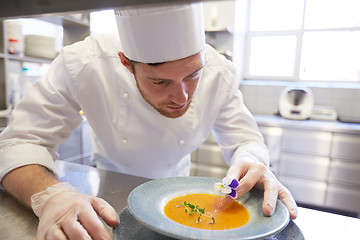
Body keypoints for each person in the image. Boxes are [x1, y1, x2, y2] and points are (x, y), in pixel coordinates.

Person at [0, 2, 298, 240]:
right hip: (107, 194)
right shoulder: (82, 65)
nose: (181, 97)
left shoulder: (220, 71)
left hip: (178, 191)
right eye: (160, 81)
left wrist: (252, 159)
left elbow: (245, 140)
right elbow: (17, 142)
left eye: (193, 74)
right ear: (126, 64)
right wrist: (51, 196)